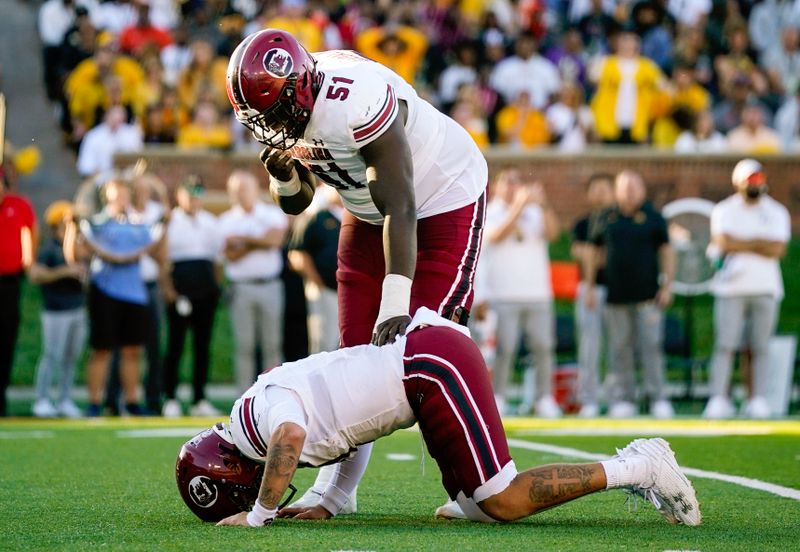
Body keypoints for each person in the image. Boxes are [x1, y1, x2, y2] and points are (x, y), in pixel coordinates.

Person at [226, 29, 487, 516]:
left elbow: (402, 203)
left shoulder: (355, 98)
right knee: (352, 358)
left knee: (426, 347)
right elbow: (298, 203)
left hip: (440, 196)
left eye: (278, 112)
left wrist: (395, 300)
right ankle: (335, 492)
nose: (273, 125)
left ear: (301, 86)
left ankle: (474, 487)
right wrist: (282, 175)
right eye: (262, 119)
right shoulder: (284, 103)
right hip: (369, 211)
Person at [175, 308, 702, 528]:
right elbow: (349, 430)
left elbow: (291, 436)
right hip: (424, 365)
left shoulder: (263, 416)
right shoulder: (254, 409)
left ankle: (641, 466)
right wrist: (333, 498)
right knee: (476, 508)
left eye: (240, 492)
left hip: (429, 367)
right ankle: (474, 496)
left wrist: (259, 516)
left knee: (502, 501)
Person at [585, 171, 676, 419]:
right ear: (617, 190)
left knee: (651, 348)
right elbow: (593, 252)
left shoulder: (654, 218)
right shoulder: (605, 216)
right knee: (619, 349)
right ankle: (622, 400)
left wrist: (667, 285)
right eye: (625, 187)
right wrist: (591, 286)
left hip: (648, 297)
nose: (630, 191)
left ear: (643, 190)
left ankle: (658, 399)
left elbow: (667, 252)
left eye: (635, 186)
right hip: (615, 297)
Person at [703, 159, 790, 419]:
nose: (754, 184)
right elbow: (723, 241)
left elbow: (778, 249)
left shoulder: (776, 211)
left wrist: (740, 243)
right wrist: (759, 243)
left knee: (760, 345)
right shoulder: (724, 210)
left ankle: (758, 399)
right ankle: (718, 398)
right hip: (730, 288)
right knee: (726, 345)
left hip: (766, 288)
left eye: (757, 178)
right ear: (737, 182)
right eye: (749, 179)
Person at [67, 177, 161, 416]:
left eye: (123, 193)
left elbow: (157, 248)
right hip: (104, 292)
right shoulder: (96, 224)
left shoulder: (140, 224)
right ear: (106, 196)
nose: (120, 198)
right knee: (102, 350)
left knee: (132, 351)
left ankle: (131, 401)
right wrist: (72, 227)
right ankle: (94, 402)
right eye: (115, 193)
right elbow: (77, 254)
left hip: (135, 294)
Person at [481, 169, 561, 418]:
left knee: (543, 347)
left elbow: (554, 234)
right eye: (507, 182)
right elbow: (496, 236)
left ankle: (544, 398)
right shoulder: (491, 211)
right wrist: (518, 207)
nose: (513, 186)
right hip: (504, 295)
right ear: (498, 187)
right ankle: (499, 397)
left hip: (538, 294)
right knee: (505, 349)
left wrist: (543, 204)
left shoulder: (535, 211)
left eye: (517, 182)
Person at [217, 170, 288, 393]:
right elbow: (230, 254)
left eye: (244, 189)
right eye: (236, 190)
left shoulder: (271, 214)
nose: (241, 194)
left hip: (270, 285)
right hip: (242, 287)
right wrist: (259, 241)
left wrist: (243, 240)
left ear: (255, 190)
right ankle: (245, 397)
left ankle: (274, 394)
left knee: (272, 344)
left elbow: (274, 241)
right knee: (244, 345)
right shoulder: (226, 220)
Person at [161, 178, 222, 417]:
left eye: (197, 194)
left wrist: (217, 288)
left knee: (202, 346)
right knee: (175, 345)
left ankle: (199, 398)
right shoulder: (171, 221)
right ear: (179, 195)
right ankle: (170, 397)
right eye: (188, 193)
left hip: (205, 291)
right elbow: (163, 261)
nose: (193, 199)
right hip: (180, 290)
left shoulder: (210, 222)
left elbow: (217, 261)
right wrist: (169, 291)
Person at [28, 201, 87, 418]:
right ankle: (42, 399)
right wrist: (65, 271)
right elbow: (37, 275)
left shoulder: (78, 247)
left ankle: (64, 399)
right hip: (55, 310)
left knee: (71, 357)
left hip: (77, 308)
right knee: (52, 355)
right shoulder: (49, 249)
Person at [571, 173, 615, 418]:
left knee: (618, 347)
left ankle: (615, 398)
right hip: (590, 290)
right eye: (595, 188)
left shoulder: (620, 221)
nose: (600, 193)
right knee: (589, 346)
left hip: (617, 290)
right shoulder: (582, 223)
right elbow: (582, 252)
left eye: (605, 188)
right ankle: (589, 398)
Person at [0, 169, 38, 417]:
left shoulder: (19, 204)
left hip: (8, 282)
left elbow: (31, 233)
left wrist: (28, 260)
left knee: (5, 339)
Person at [288, 186, 342, 354]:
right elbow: (297, 253)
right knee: (324, 343)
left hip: (351, 291)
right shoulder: (316, 216)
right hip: (324, 289)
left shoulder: (353, 217)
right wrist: (317, 281)